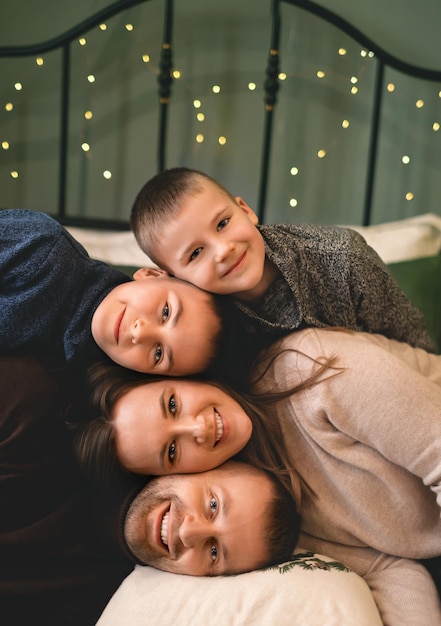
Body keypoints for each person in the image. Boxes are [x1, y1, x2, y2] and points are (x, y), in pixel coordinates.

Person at [77, 328, 441, 625]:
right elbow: (388, 567)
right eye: (172, 452)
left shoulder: (306, 372)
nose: (198, 429)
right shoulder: (257, 518)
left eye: (172, 404)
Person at [0, 354, 298, 624]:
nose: (188, 533)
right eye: (213, 506)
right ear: (205, 467)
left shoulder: (98, 604)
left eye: (214, 551)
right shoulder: (28, 412)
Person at [130, 167, 435, 352]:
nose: (223, 251)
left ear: (245, 210)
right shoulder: (195, 320)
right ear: (172, 276)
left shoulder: (344, 258)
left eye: (223, 224)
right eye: (196, 254)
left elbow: (414, 347)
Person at [0, 208, 259, 381]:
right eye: (166, 312)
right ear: (151, 274)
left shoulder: (79, 390)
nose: (139, 333)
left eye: (158, 354)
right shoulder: (43, 248)